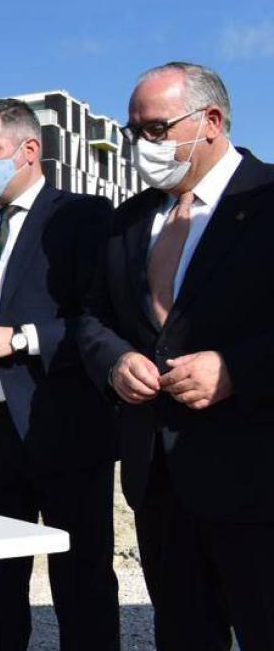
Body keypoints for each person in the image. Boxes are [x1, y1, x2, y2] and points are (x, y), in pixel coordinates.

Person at [78, 61, 274, 650]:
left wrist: (238, 369)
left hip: (258, 479)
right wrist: (114, 361)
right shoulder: (127, 222)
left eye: (157, 128)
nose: (142, 144)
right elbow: (91, 317)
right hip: (158, 482)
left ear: (211, 121)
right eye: (133, 130)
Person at [0, 99, 119, 651]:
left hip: (64, 428)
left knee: (82, 579)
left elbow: (99, 322)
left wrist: (17, 338)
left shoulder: (83, 220)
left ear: (30, 150)